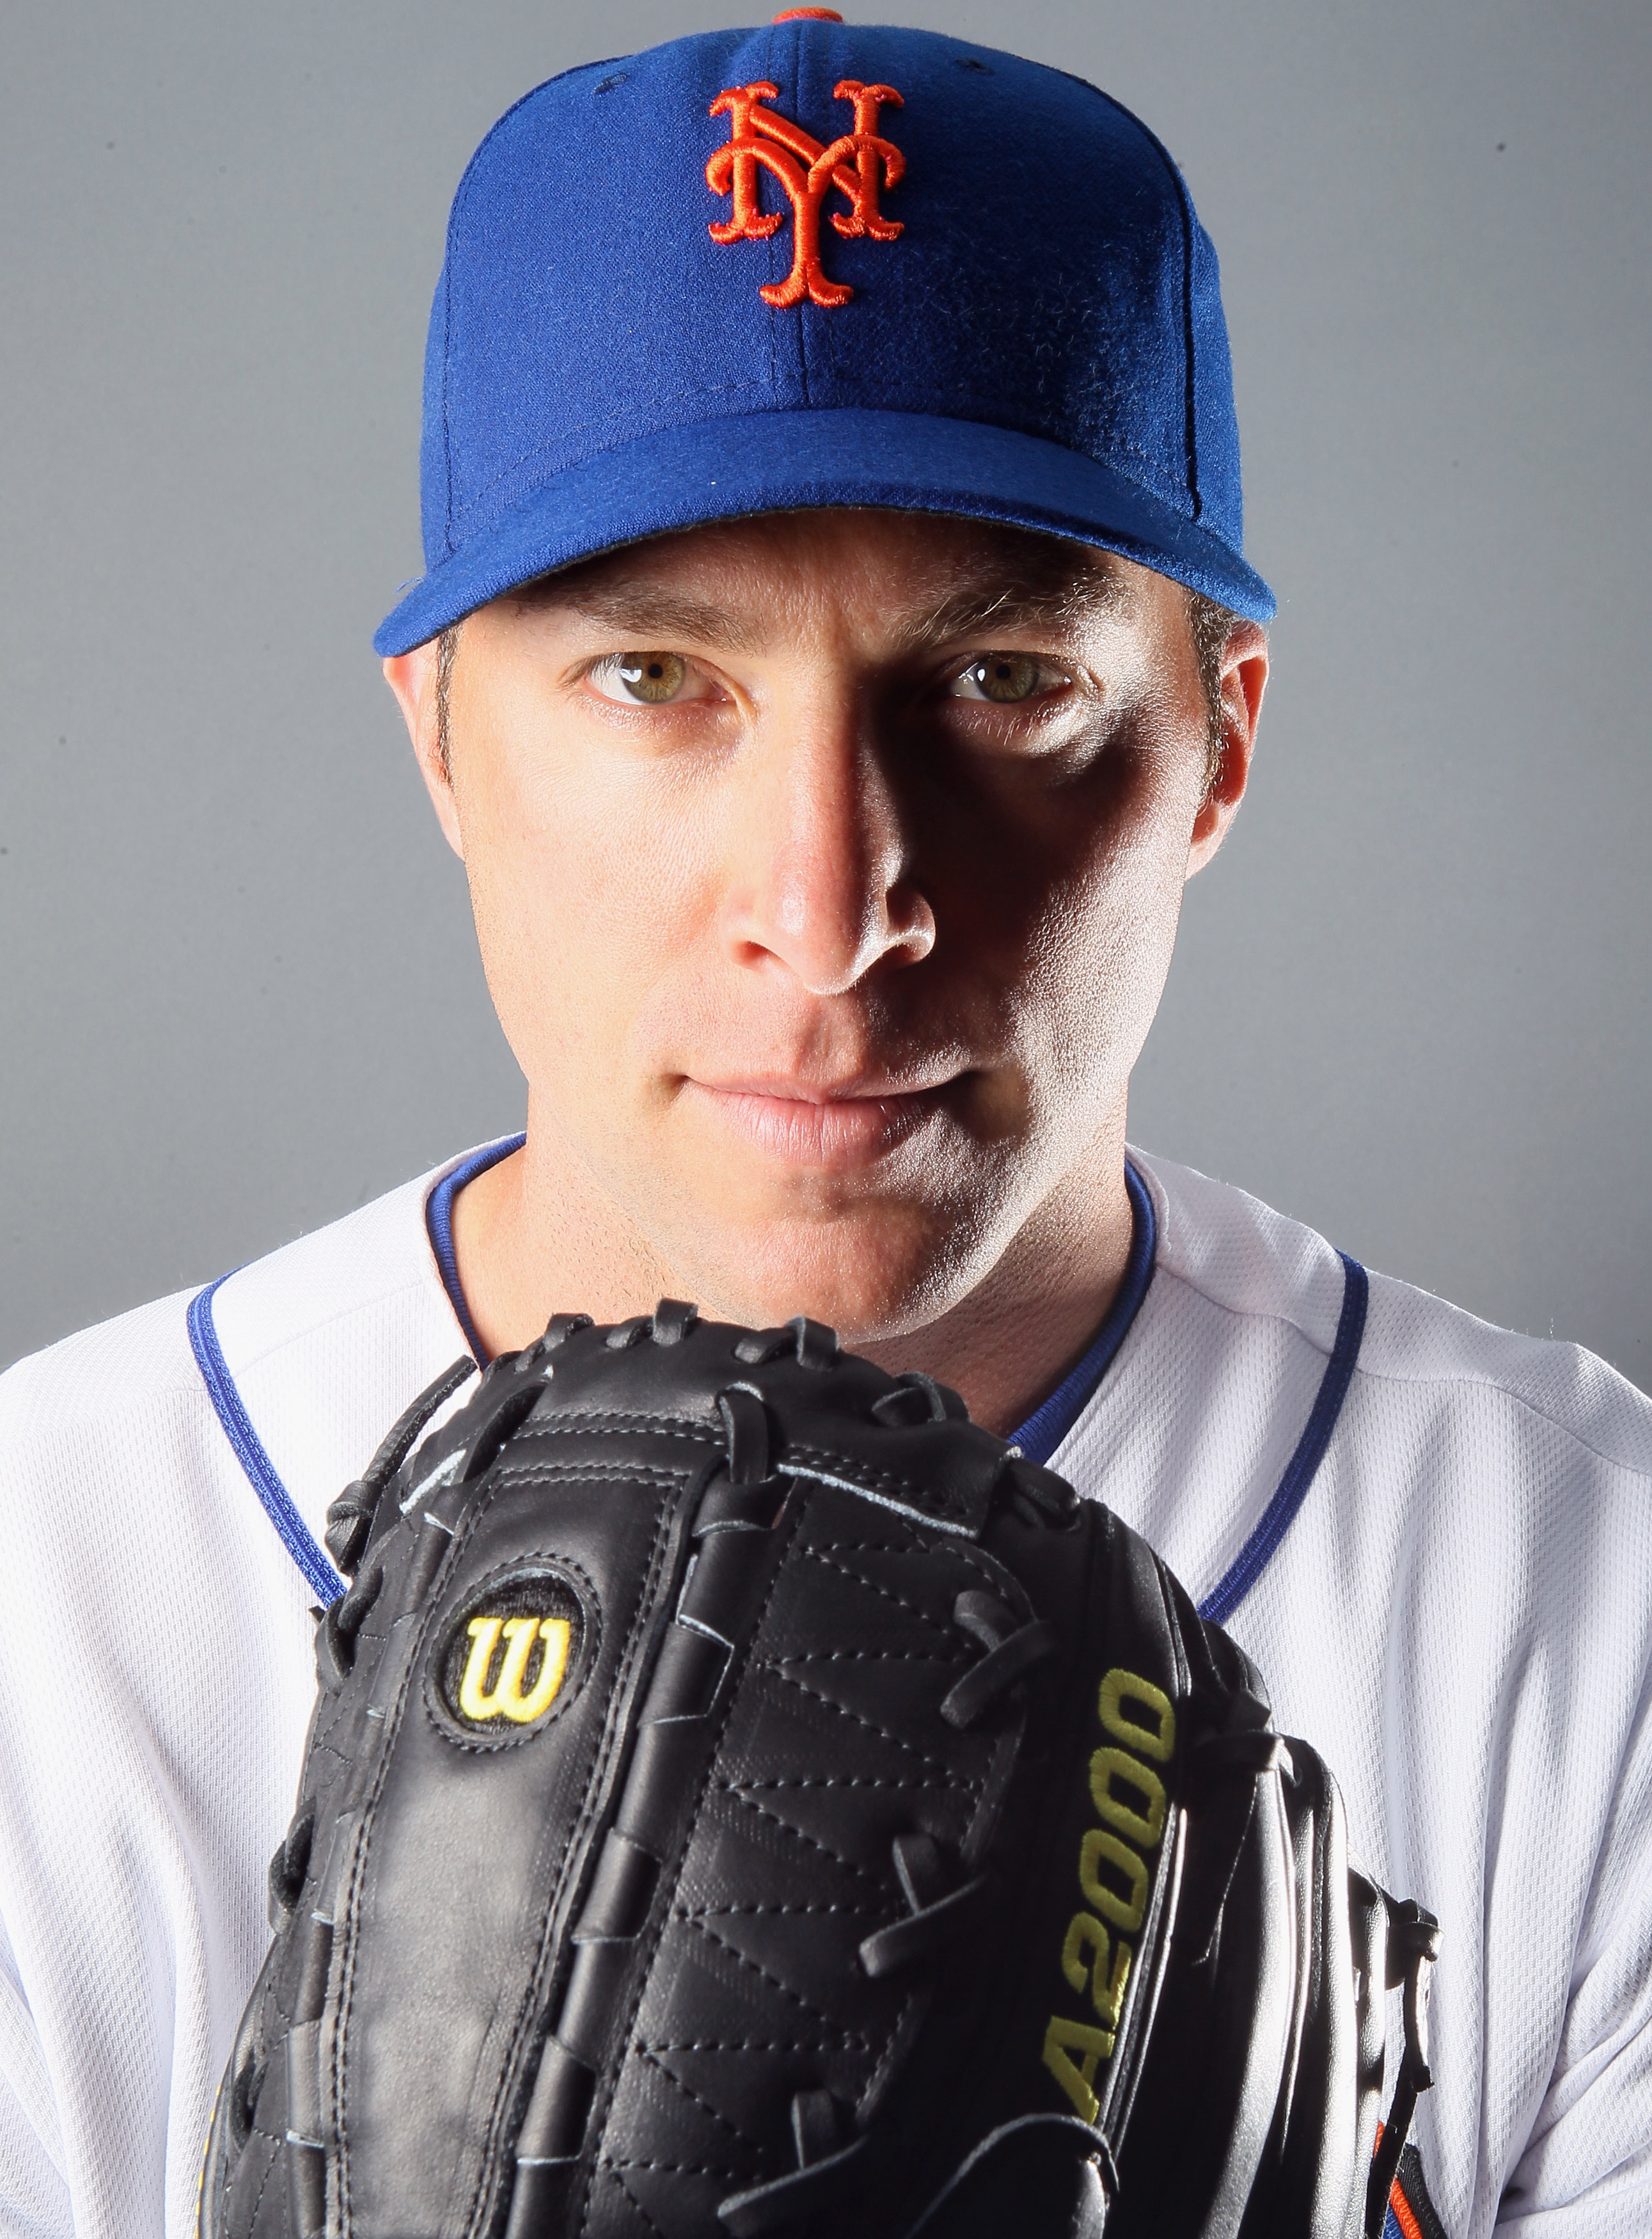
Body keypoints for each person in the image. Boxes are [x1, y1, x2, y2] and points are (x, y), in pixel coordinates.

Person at [1, 14, 1648, 2239]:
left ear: (1221, 739)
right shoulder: (46, 1611)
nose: (834, 896)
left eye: (999, 683)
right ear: (441, 742)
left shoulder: (1586, 1610)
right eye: (653, 679)